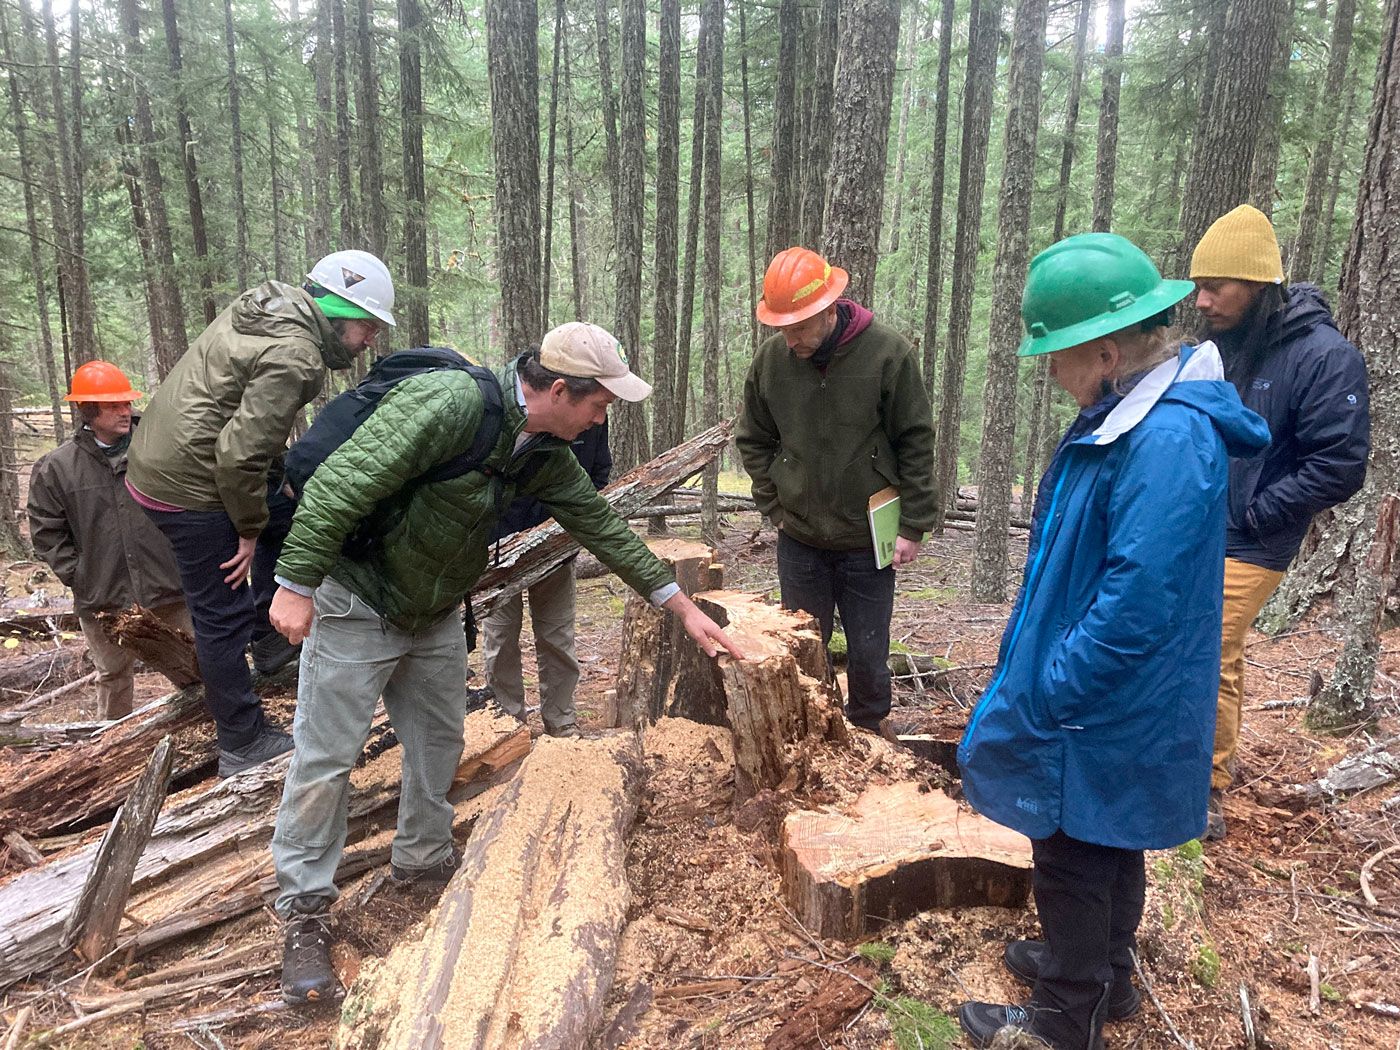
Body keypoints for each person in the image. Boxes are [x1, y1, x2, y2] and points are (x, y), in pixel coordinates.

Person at [266, 322, 743, 1005]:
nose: (600, 420)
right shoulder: (450, 404)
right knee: (326, 757)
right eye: (597, 405)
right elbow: (346, 479)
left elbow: (598, 523)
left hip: (432, 612)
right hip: (357, 601)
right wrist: (296, 582)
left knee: (439, 742)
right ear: (556, 389)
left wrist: (681, 606)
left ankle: (423, 863)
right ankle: (305, 913)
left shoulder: (543, 452)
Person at [955, 233, 1269, 1049]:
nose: (1049, 373)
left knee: (1075, 849)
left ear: (1102, 351)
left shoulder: (1163, 438)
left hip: (1107, 694)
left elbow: (1140, 595)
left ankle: (1065, 1018)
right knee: (1106, 835)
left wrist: (1059, 684)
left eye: (1054, 356)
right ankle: (1100, 974)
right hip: (1112, 689)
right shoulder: (1136, 417)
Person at [126, 250, 396, 777]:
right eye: (368, 327)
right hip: (189, 486)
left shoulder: (271, 306)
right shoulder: (298, 357)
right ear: (339, 314)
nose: (370, 342)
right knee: (219, 613)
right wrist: (247, 529)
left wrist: (274, 495)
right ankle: (241, 741)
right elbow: (238, 453)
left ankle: (272, 644)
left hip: (168, 459)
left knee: (285, 518)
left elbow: (250, 426)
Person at [1189, 204, 1369, 841]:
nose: (1202, 300)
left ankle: (1202, 788)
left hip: (1257, 538)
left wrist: (1257, 510)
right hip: (1200, 526)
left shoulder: (1325, 357)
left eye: (1216, 287)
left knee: (1208, 646)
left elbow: (1342, 465)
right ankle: (1188, 766)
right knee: (1199, 645)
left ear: (1259, 286)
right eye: (1197, 286)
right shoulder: (1222, 346)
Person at [736, 246, 937, 737]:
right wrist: (774, 504)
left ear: (830, 309)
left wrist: (913, 523)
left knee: (869, 648)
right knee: (803, 643)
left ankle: (870, 729)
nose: (791, 338)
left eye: (800, 326)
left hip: (867, 536)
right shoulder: (771, 362)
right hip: (800, 537)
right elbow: (753, 438)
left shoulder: (889, 353)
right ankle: (809, 732)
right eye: (782, 327)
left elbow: (915, 438)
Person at [27, 362, 193, 720]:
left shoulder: (159, 448)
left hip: (170, 587)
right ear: (89, 411)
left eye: (127, 403)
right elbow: (45, 531)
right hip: (103, 597)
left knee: (196, 667)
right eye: (114, 405)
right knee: (113, 676)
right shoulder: (57, 467)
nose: (126, 411)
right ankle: (112, 749)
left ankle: (215, 737)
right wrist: (80, 574)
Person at [481, 407, 612, 738]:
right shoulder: (517, 410)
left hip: (558, 547)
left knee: (557, 637)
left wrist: (568, 524)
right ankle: (507, 727)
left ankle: (562, 723)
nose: (596, 415)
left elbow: (599, 472)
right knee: (500, 638)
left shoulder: (592, 414)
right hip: (500, 549)